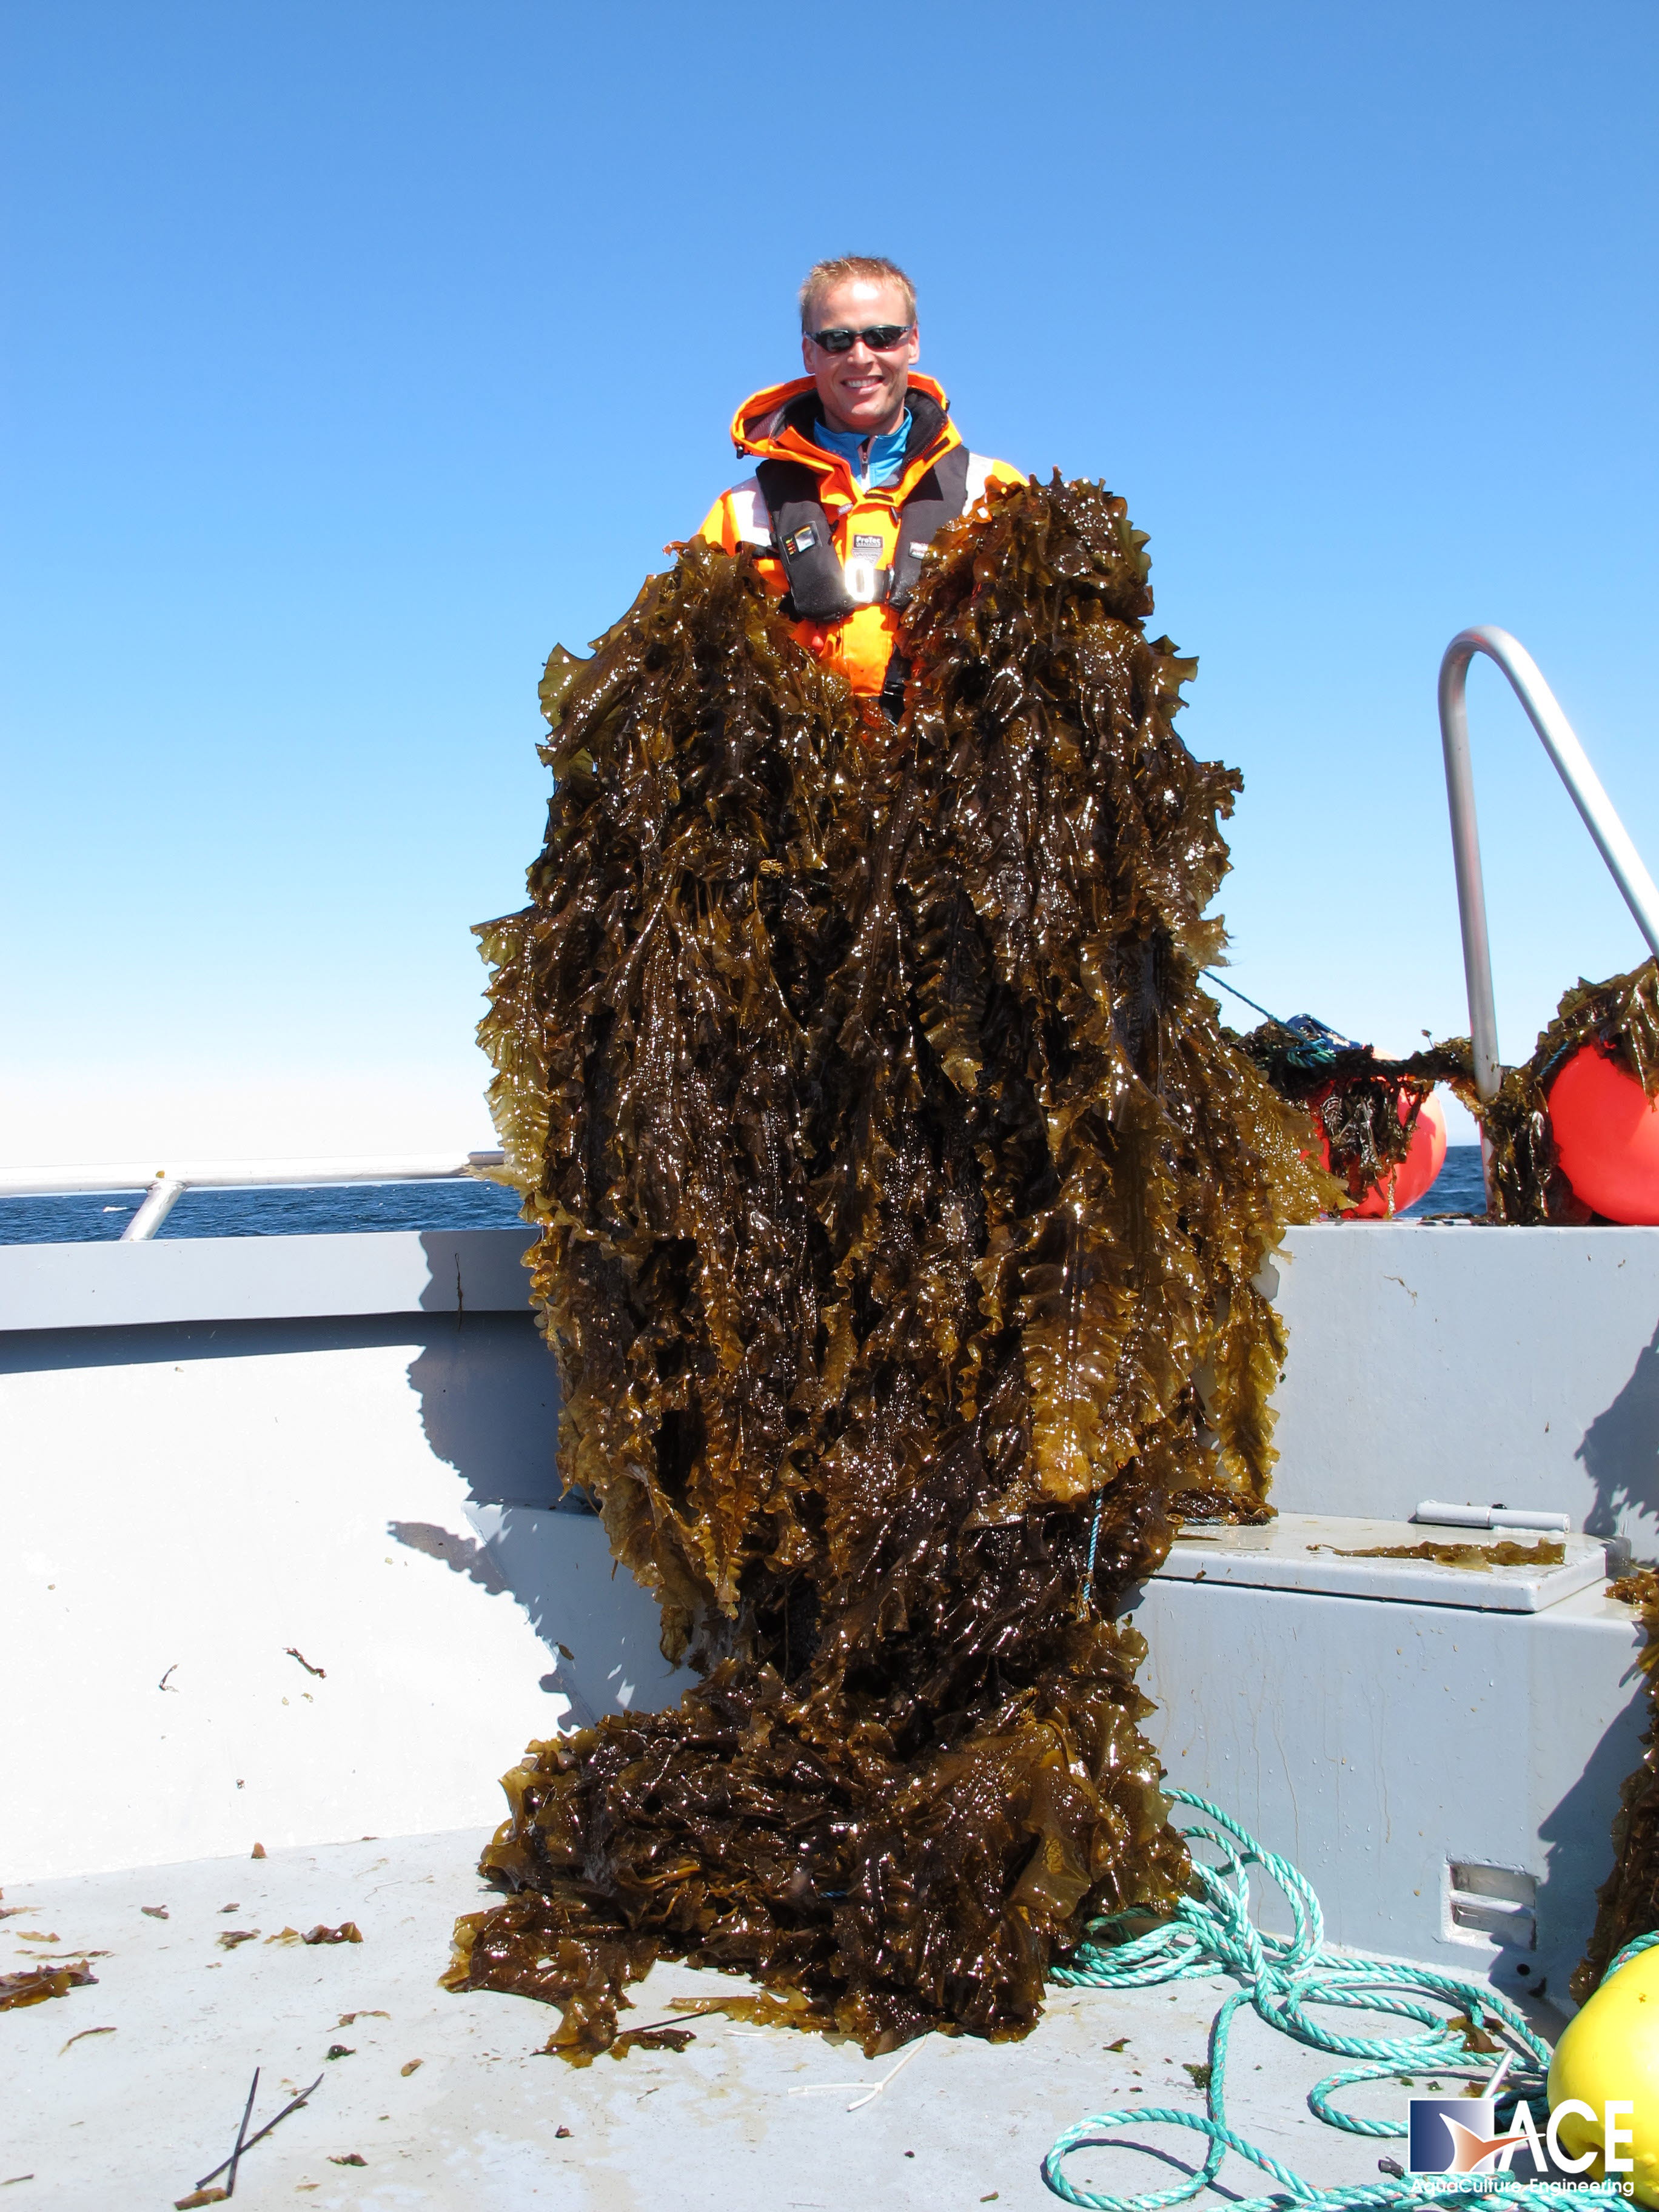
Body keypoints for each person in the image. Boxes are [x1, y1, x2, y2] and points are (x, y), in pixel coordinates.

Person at [698, 255, 1024, 712]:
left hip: (946, 770)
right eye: (836, 340)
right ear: (809, 353)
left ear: (912, 343)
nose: (860, 356)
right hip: (797, 768)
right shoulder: (740, 512)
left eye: (882, 336)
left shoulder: (994, 491)